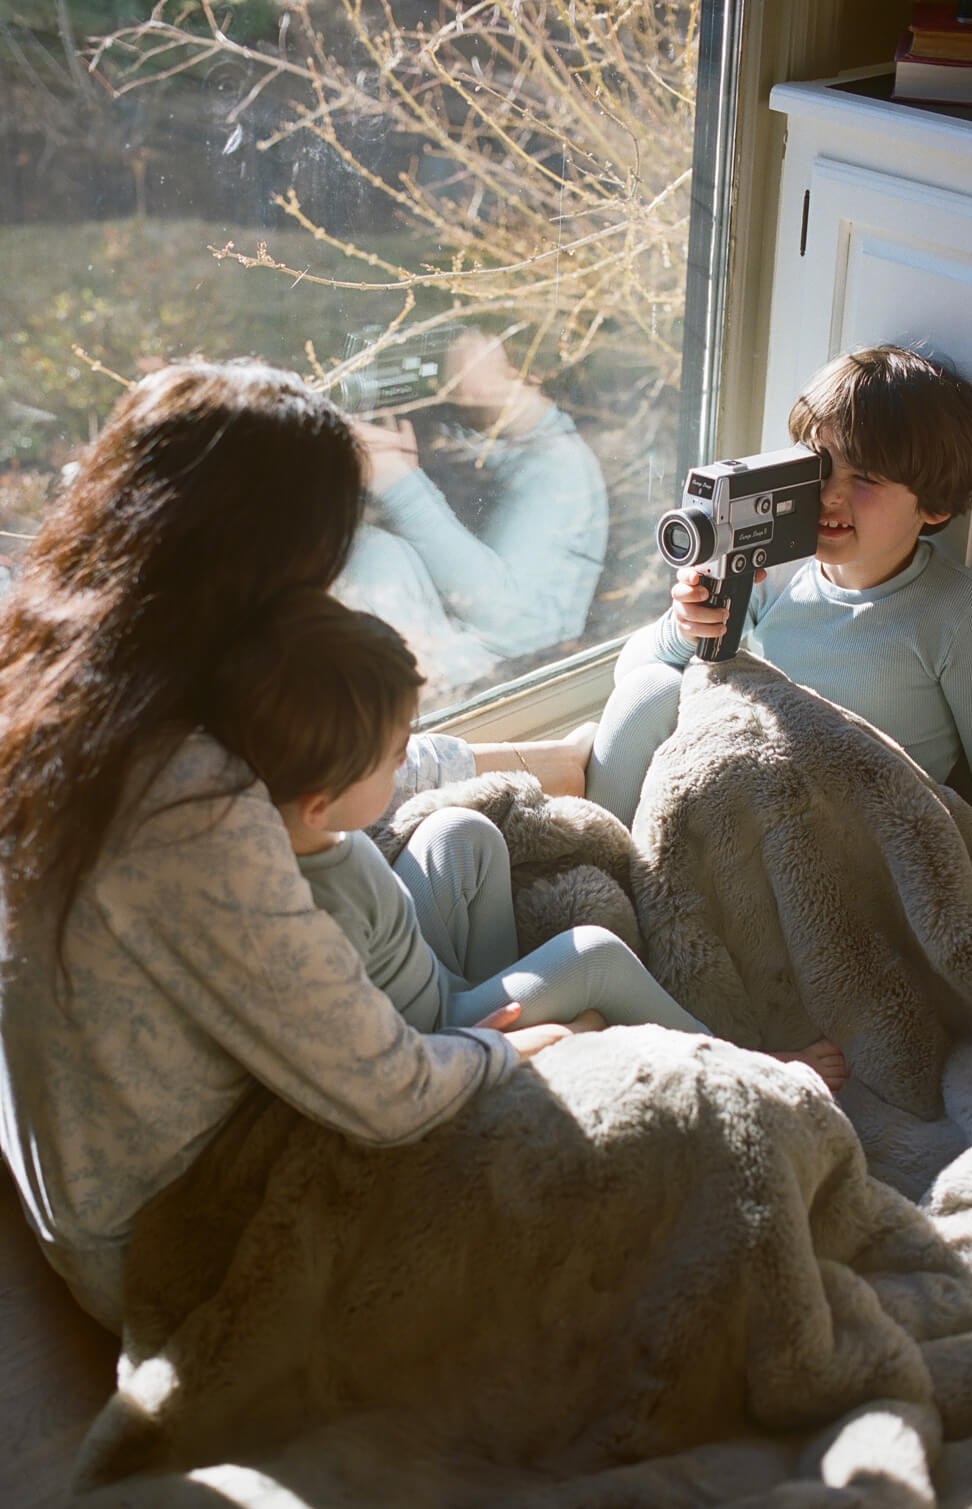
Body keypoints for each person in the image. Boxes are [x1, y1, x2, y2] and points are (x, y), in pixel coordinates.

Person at [0, 360, 596, 1334]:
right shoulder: (189, 812)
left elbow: (334, 765)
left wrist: (553, 762)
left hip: (78, 1158)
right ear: (265, 564)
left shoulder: (74, 676)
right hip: (171, 1230)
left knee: (455, 847)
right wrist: (511, 1055)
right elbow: (391, 1093)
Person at [205, 588, 847, 1080]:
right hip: (441, 1029)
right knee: (591, 950)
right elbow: (373, 1061)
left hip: (432, 974)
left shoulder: (314, 834)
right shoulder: (308, 918)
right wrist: (488, 1047)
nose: (406, 764)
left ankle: (537, 993)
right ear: (320, 802)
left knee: (459, 831)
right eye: (392, 755)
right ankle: (751, 1063)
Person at [585, 346, 972, 828]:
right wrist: (684, 631)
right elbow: (630, 678)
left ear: (935, 506)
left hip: (849, 838)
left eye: (864, 477)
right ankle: (599, 861)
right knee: (652, 688)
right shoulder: (776, 568)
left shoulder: (962, 617)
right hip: (751, 801)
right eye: (819, 466)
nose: (829, 494)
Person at [350, 328, 609, 663]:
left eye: (472, 341)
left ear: (524, 367)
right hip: (441, 673)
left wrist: (399, 485)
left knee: (376, 552)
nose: (448, 356)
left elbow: (516, 623)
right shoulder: (478, 444)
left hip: (504, 687)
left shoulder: (559, 466)